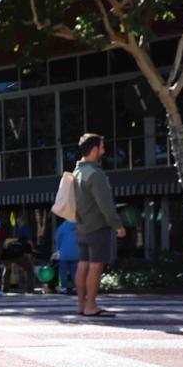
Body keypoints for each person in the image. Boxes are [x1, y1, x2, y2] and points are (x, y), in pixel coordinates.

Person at [74, 134, 125, 316]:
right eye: (102, 146)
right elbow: (105, 203)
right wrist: (117, 224)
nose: (104, 149)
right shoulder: (96, 174)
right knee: (96, 265)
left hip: (81, 226)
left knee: (83, 264)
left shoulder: (77, 172)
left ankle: (81, 305)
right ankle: (91, 306)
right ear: (95, 149)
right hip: (97, 226)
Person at [55, 219, 80, 295]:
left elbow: (58, 239)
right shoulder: (79, 227)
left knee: (63, 271)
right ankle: (76, 288)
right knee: (75, 272)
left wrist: (58, 248)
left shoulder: (62, 227)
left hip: (64, 253)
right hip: (76, 253)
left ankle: (64, 288)